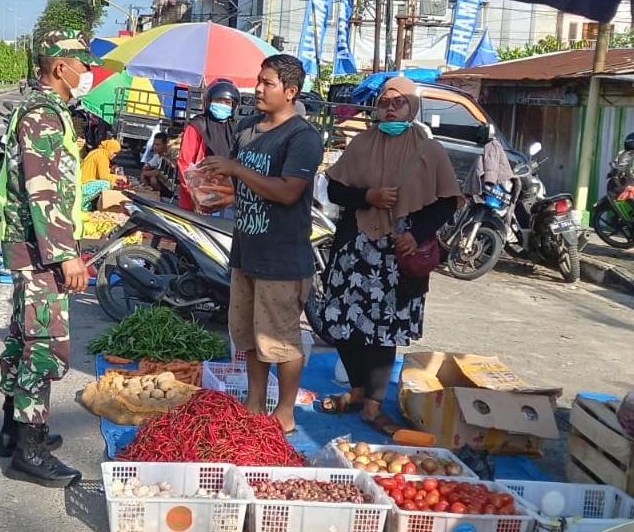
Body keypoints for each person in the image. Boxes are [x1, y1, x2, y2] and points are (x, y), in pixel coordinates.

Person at [318, 77, 462, 435]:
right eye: (385, 102)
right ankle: (356, 389)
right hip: (355, 250)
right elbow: (335, 188)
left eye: (398, 102)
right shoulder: (362, 142)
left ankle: (372, 406)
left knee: (383, 331)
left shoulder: (430, 150)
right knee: (341, 322)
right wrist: (369, 196)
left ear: (412, 106)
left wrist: (417, 235)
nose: (390, 108)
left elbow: (447, 201)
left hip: (398, 254)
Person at [0, 28, 100, 488]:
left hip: (32, 248)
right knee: (43, 346)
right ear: (60, 67)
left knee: (23, 337)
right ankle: (30, 450)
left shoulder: (45, 109)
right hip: (41, 253)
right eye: (83, 64)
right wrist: (65, 257)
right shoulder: (42, 116)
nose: (87, 73)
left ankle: (12, 431)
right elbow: (43, 193)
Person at [198, 55, 324, 433]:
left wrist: (236, 169)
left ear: (290, 92)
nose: (257, 88)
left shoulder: (302, 137)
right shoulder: (249, 128)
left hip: (282, 256)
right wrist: (227, 196)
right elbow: (249, 185)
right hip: (247, 251)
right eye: (258, 80)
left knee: (280, 339)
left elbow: (288, 192)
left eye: (267, 83)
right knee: (249, 335)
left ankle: (284, 413)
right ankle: (254, 404)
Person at [178, 79, 239, 211]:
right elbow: (184, 162)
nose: (223, 105)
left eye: (227, 102)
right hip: (195, 199)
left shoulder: (236, 129)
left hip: (226, 198)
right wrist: (196, 195)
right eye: (218, 101)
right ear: (209, 102)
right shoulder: (197, 126)